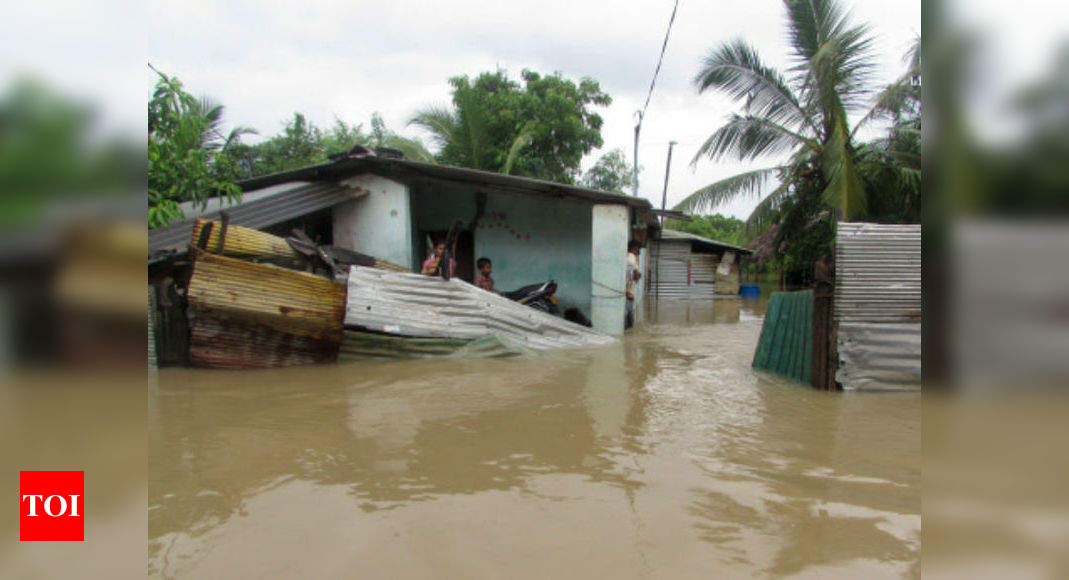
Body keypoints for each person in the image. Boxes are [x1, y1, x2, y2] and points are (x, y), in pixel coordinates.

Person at [625, 241, 642, 329]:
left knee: (629, 315)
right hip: (627, 295)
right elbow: (630, 275)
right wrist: (627, 292)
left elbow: (634, 274)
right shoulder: (631, 258)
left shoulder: (630, 258)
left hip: (628, 294)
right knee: (628, 316)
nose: (637, 254)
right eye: (636, 251)